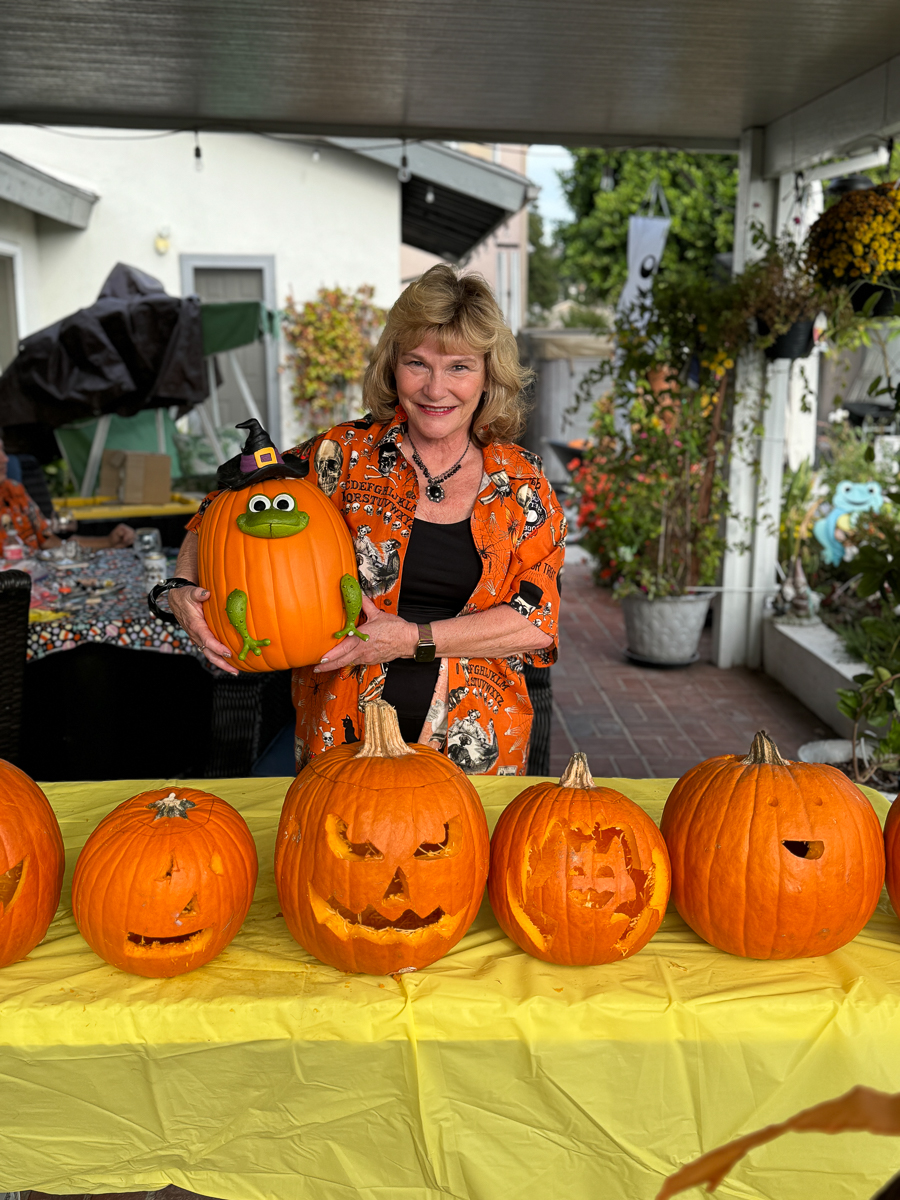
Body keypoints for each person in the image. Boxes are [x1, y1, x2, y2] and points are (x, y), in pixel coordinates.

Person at [168, 265, 567, 775]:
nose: (435, 388)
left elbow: (535, 623)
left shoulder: (523, 482)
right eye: (417, 363)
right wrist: (182, 587)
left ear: (490, 375)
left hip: (476, 747)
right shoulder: (340, 456)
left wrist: (410, 639)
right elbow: (219, 509)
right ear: (392, 366)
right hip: (341, 739)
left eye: (460, 367)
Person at [0, 437, 135, 553]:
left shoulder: (13, 490)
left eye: (3, 450)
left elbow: (50, 542)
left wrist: (108, 541)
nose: (5, 459)